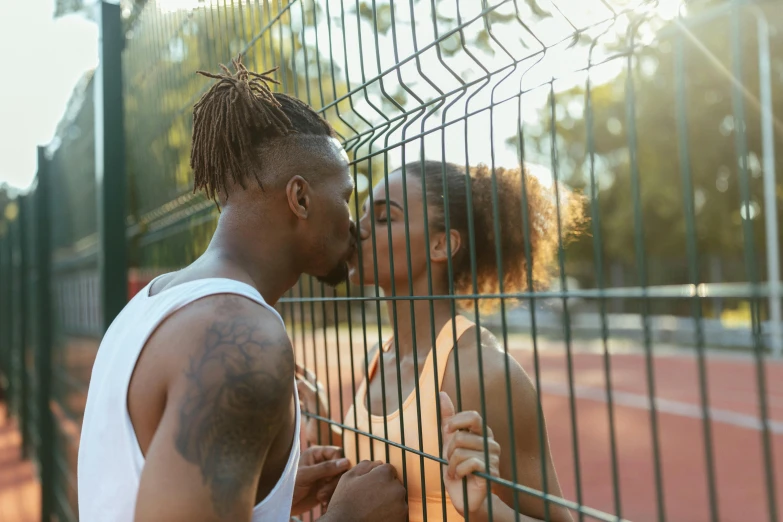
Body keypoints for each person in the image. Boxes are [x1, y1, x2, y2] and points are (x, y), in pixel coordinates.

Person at [77, 56, 407, 522]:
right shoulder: (239, 339)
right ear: (300, 198)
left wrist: (265, 499)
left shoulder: (152, 303)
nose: (352, 223)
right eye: (346, 197)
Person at [297, 160, 581, 522]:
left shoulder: (486, 372)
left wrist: (483, 510)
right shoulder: (377, 358)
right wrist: (330, 436)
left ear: (441, 243)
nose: (358, 229)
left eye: (384, 219)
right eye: (364, 214)